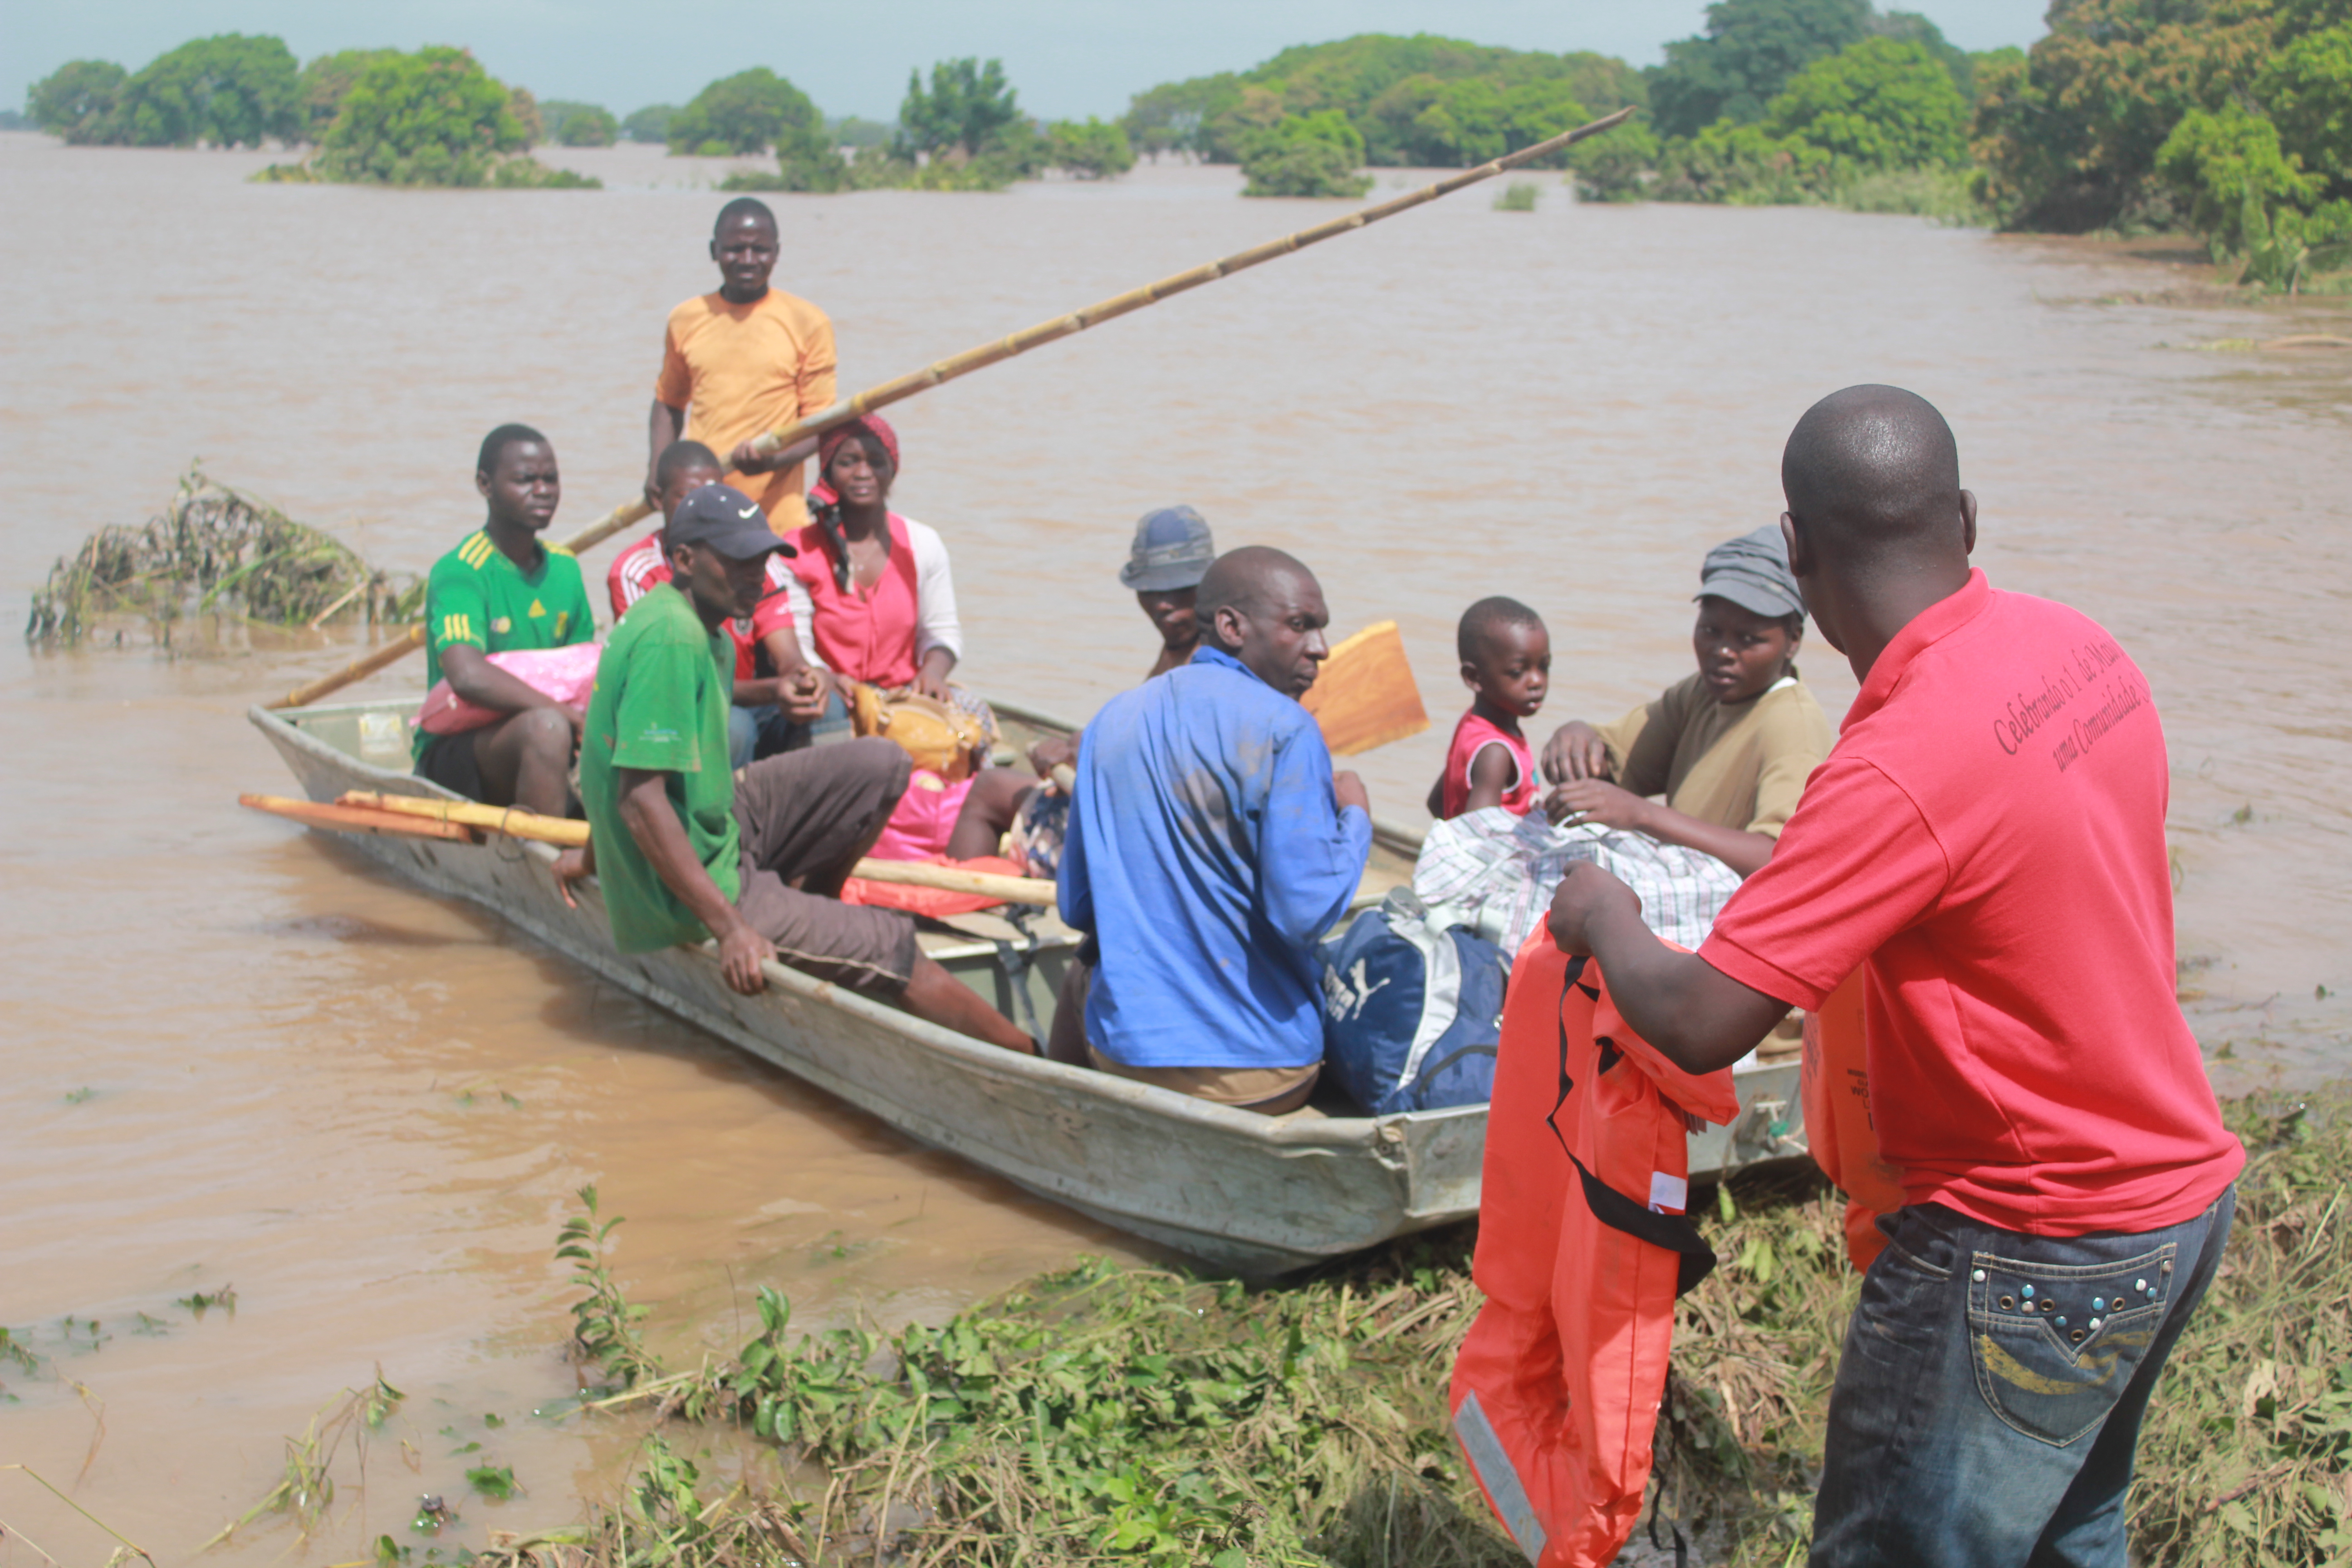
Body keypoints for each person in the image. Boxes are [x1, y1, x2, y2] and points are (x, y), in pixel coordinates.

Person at [1545, 386, 2244, 1567]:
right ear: (1965, 520)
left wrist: (1605, 916)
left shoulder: (1892, 765)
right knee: (2075, 1536)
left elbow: (1706, 1020)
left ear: (1798, 554)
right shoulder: (2078, 646)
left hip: (2027, 1239)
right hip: (2175, 1201)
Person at [551, 484, 1034, 1055]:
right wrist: (731, 927)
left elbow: (637, 780)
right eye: (738, 562)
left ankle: (815, 916)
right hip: (701, 882)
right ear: (683, 561)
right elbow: (638, 800)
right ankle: (1033, 1060)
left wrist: (590, 855)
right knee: (895, 942)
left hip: (719, 825)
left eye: (762, 562)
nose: (757, 577)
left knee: (883, 763)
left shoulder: (706, 630)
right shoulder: (671, 637)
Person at [1053, 546, 1373, 1114]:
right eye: (1300, 626)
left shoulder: (1111, 719)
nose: (1321, 649)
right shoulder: (1288, 728)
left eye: (1319, 629)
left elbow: (1079, 908)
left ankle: (1062, 1122)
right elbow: (1304, 915)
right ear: (1231, 626)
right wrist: (1356, 821)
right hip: (1264, 1077)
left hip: (1124, 1056)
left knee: (1083, 970)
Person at [1538, 526, 1833, 878]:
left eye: (1748, 639)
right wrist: (1576, 738)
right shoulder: (1701, 694)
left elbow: (1778, 857)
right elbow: (1615, 759)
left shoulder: (1791, 726)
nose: (1723, 652)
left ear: (1793, 640)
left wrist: (1643, 815)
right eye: (1711, 631)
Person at [608, 440, 832, 767]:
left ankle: (821, 809)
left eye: (715, 493)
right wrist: (774, 689)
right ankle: (725, 811)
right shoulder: (636, 570)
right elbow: (677, 683)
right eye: (688, 495)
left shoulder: (762, 563)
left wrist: (806, 681)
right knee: (734, 726)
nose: (705, 506)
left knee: (826, 706)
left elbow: (789, 657)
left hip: (749, 697)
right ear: (658, 498)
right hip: (681, 706)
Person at [414, 424, 596, 817]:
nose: (543, 490)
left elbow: (584, 671)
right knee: (546, 728)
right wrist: (564, 716)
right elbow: (467, 676)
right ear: (485, 484)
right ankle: (541, 863)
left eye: (551, 479)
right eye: (526, 480)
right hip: (460, 749)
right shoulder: (462, 571)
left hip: (554, 734)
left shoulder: (565, 568)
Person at [647, 197, 830, 533]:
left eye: (760, 250)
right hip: (703, 511)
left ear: (776, 253)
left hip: (776, 520)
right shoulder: (686, 319)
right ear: (714, 250)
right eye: (735, 249)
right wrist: (659, 469)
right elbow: (669, 404)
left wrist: (770, 461)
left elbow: (821, 427)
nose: (748, 261)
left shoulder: (808, 322)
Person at [1024, 505, 1215, 779]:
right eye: (1151, 591)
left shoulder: (1212, 658)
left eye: (1180, 590)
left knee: (990, 787)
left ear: (1209, 585)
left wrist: (1091, 755)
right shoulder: (1179, 643)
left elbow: (1173, 759)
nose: (1163, 605)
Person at [782, 413, 961, 705]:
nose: (863, 473)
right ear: (827, 472)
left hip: (902, 694)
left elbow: (942, 631)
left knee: (974, 723)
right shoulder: (796, 550)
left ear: (893, 470)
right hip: (831, 693)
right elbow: (797, 641)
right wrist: (824, 676)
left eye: (876, 462)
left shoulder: (923, 544)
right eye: (848, 462)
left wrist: (932, 673)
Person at [1427, 596, 1549, 819]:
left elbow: (1437, 802)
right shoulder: (1496, 753)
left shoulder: (1472, 724)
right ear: (1474, 677)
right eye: (1517, 672)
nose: (1536, 681)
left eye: (1543, 667)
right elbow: (1481, 834)